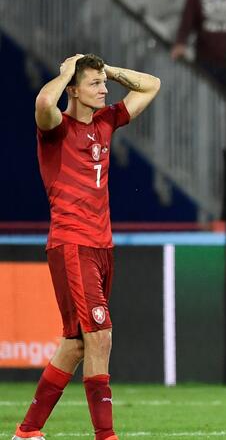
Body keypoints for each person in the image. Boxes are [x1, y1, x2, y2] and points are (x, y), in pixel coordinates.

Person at [12, 53, 160, 440]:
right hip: (72, 244)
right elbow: (44, 104)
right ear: (74, 90)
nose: (104, 89)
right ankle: (105, 436)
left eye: (103, 83)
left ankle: (27, 432)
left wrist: (107, 69)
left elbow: (152, 85)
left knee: (76, 345)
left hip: (101, 246)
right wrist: (65, 74)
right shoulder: (55, 128)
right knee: (100, 336)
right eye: (94, 84)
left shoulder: (106, 122)